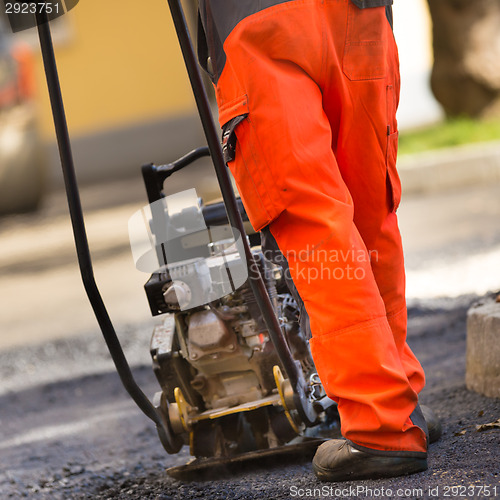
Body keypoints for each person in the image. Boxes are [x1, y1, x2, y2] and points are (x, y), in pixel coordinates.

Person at [197, 0, 440, 481]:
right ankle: (400, 404)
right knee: (371, 215)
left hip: (258, 22)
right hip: (360, 14)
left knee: (316, 225)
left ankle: (381, 424)